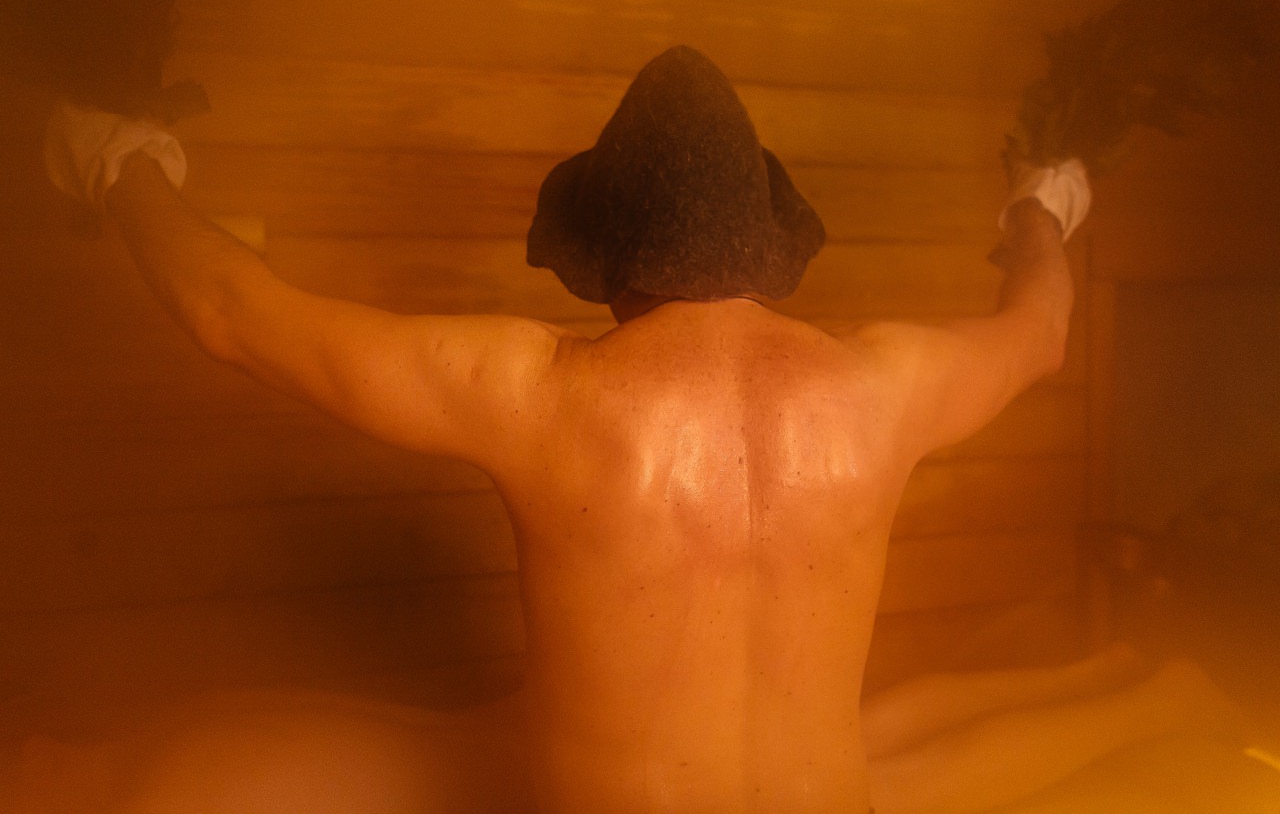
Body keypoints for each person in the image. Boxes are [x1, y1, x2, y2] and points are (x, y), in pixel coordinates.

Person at [26, 46, 1101, 813]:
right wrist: (1040, 208)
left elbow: (230, 313)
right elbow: (1043, 332)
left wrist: (121, 159)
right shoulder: (886, 384)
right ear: (768, 248)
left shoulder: (543, 393)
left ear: (601, 257)